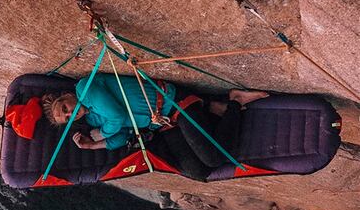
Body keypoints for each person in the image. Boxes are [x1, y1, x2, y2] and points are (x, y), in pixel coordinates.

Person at [42, 73, 268, 150]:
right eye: (68, 119)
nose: (72, 113)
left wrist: (103, 133)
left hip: (172, 101)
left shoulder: (85, 87)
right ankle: (214, 108)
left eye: (65, 108)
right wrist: (95, 145)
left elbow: (118, 118)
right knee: (197, 170)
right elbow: (123, 136)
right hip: (166, 122)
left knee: (213, 156)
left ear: (66, 96)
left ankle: (233, 102)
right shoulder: (92, 117)